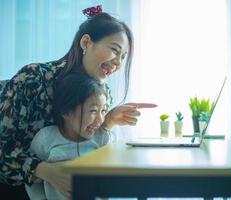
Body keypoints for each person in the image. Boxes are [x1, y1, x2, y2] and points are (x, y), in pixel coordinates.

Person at [0, 5, 156, 199]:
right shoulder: (34, 78)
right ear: (86, 42)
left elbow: (85, 146)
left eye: (123, 57)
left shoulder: (103, 91)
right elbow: (3, 148)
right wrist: (44, 171)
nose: (118, 63)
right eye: (115, 50)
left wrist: (107, 121)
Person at [25, 72, 110, 200]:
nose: (100, 120)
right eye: (93, 111)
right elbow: (31, 179)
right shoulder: (46, 138)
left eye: (103, 110)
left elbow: (109, 181)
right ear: (66, 111)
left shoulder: (103, 139)